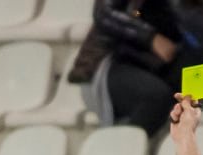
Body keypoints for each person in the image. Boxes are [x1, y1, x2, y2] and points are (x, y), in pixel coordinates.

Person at [68, 0, 187, 137]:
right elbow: (105, 13)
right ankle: (123, 151)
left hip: (155, 65)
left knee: (194, 98)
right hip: (109, 62)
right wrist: (151, 38)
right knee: (156, 97)